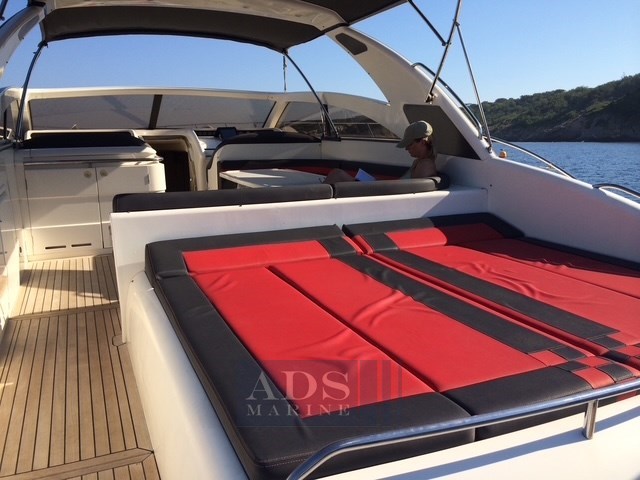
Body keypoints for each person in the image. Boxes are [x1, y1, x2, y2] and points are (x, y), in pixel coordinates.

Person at [323, 120, 438, 183]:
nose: (406, 148)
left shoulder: (426, 166)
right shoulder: (419, 162)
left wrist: (379, 185)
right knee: (337, 174)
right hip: (384, 191)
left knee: (337, 174)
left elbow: (412, 193)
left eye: (409, 144)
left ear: (422, 142)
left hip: (384, 196)